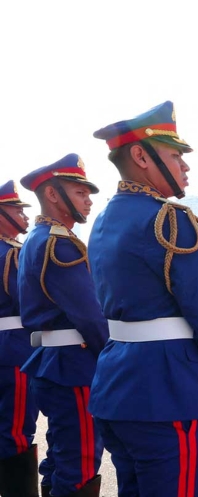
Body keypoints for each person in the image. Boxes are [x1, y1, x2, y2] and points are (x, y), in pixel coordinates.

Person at [88, 102, 198, 496]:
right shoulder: (170, 220)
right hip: (167, 393)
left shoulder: (104, 220)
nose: (185, 167)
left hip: (116, 387)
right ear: (140, 156)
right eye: (175, 155)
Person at [18, 156, 109, 496]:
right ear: (53, 195)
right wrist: (114, 356)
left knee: (61, 456)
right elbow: (91, 317)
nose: (88, 199)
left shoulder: (39, 238)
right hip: (73, 366)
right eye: (80, 191)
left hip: (54, 363)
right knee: (80, 463)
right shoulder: (59, 244)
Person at [0, 180, 39, 495]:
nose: (25, 217)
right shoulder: (14, 254)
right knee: (14, 431)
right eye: (16, 210)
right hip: (14, 348)